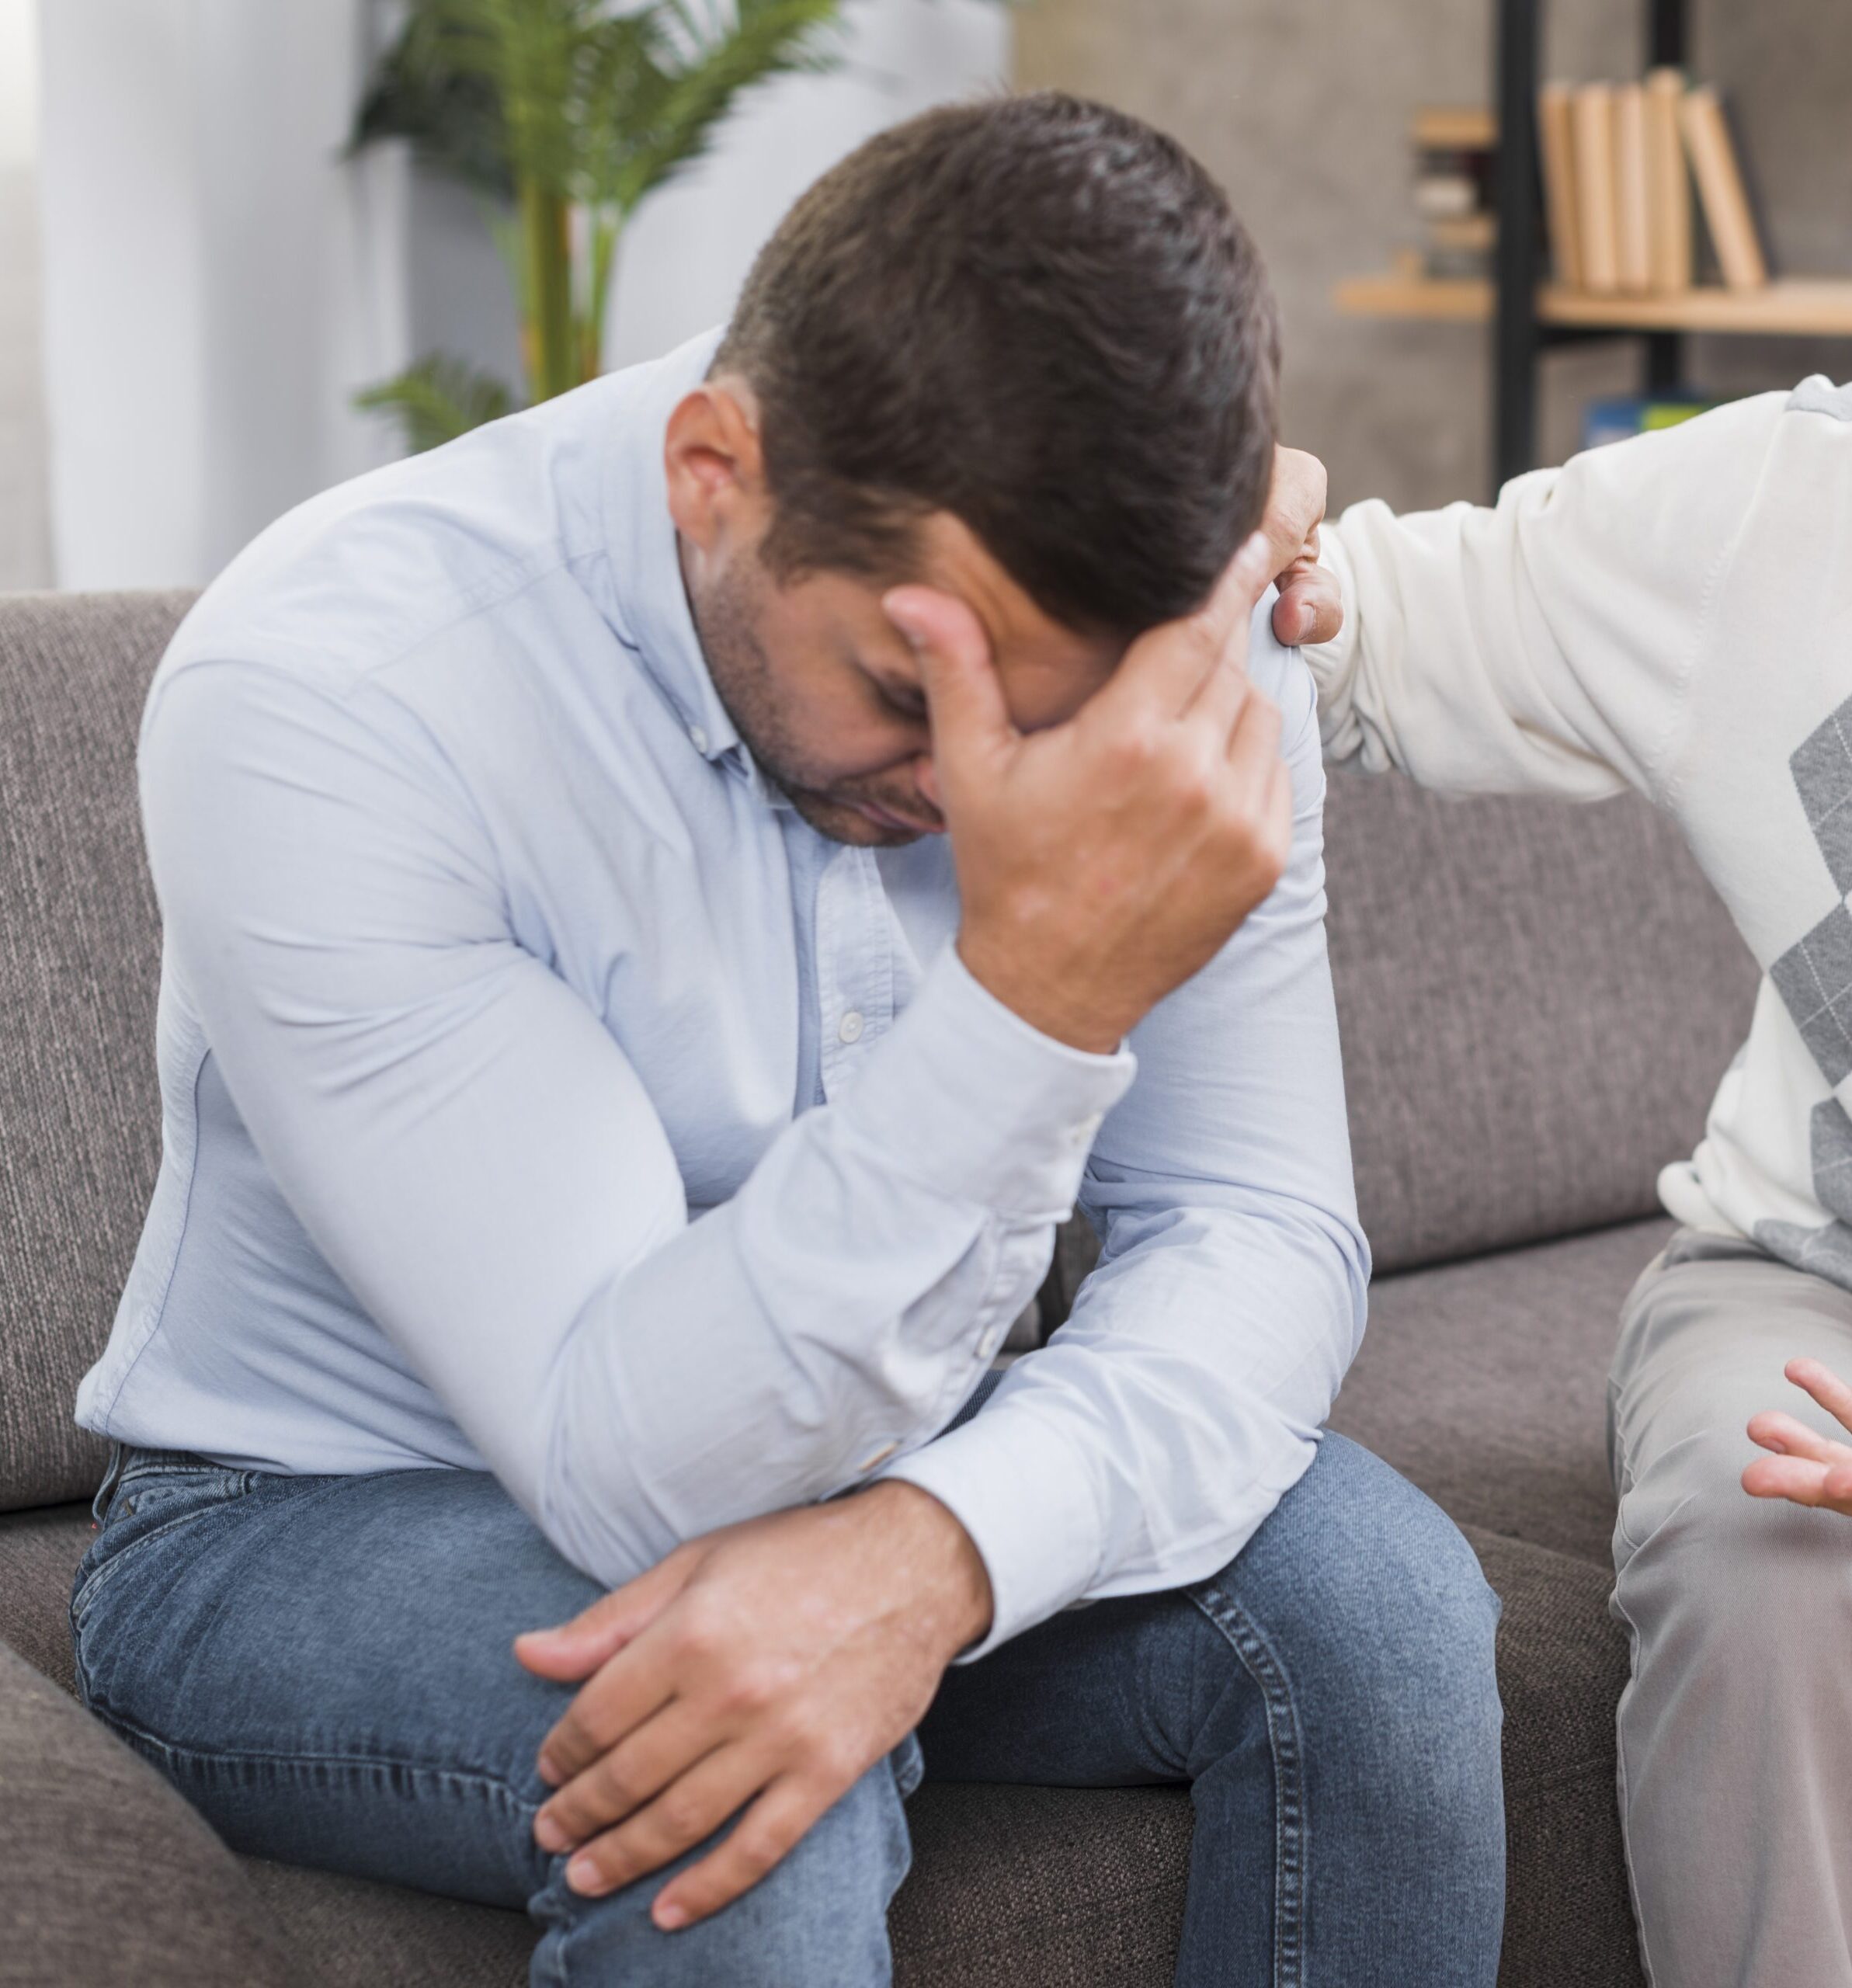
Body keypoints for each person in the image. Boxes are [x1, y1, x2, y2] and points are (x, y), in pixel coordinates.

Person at [69, 94, 1505, 1986]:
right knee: (736, 1778)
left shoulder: (1178, 637)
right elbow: (627, 1456)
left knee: (1385, 1621)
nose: (972, 789)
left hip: (885, 1445)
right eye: (908, 693)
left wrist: (934, 1551)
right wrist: (1035, 996)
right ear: (710, 465)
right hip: (320, 1517)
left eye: (1050, 728)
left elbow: (1258, 1230)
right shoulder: (335, 692)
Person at [1268, 375, 1852, 1988]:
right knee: (1770, 1544)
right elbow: (1362, 630)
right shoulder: (1783, 512)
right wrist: (1221, 542)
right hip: (1803, 1269)